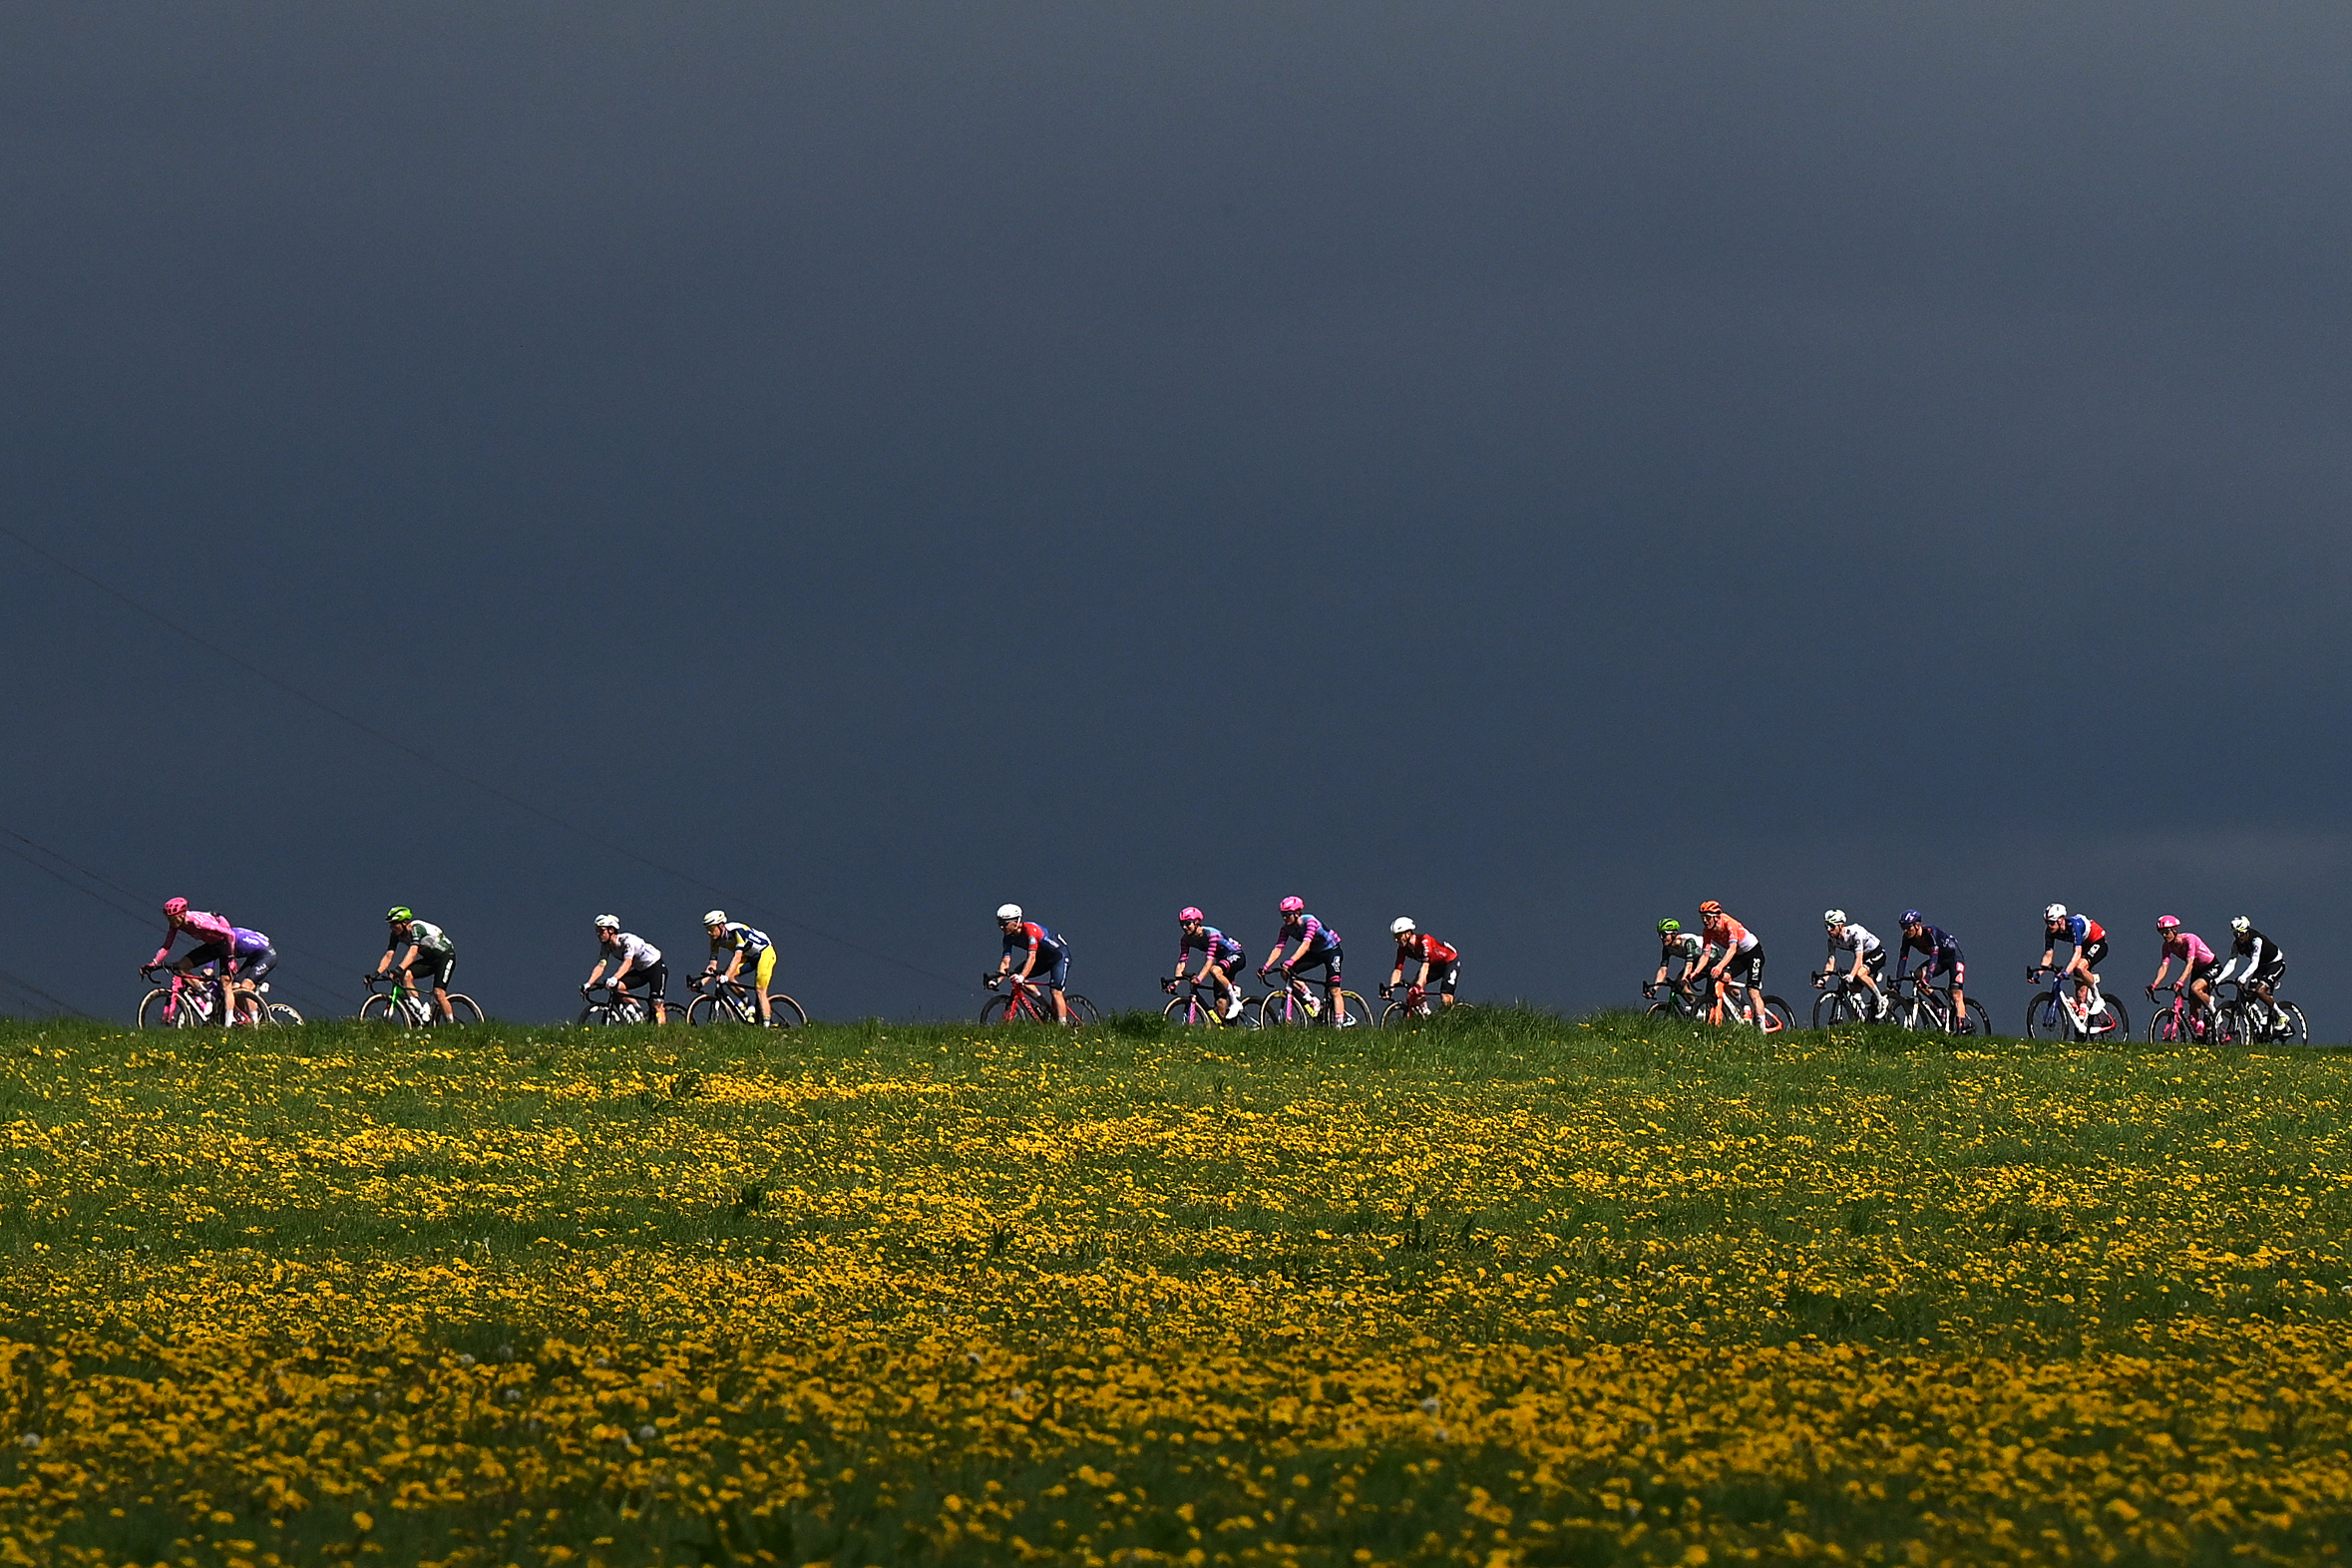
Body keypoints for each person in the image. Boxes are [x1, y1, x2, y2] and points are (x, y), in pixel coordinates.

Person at [149, 898, 238, 1021]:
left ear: (182, 915)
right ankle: (207, 995)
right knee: (181, 968)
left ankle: (229, 1022)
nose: (171, 922)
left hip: (224, 944)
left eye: (173, 918)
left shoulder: (198, 922)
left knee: (225, 982)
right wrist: (153, 963)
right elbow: (166, 946)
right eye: (169, 919)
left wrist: (231, 957)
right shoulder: (176, 925)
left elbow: (230, 934)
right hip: (211, 945)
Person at [1262, 897, 1348, 1025]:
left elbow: (1306, 944)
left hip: (1331, 951)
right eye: (1282, 915)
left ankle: (1340, 1024)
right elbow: (1278, 948)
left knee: (1334, 989)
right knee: (1286, 972)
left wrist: (1291, 960)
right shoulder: (1286, 929)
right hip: (1315, 953)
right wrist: (1266, 966)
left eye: (1287, 914)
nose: (1285, 918)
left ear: (1297, 913)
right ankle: (1311, 999)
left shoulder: (1310, 921)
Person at [992, 904, 1074, 1023]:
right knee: (1016, 978)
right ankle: (1046, 1007)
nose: (1001, 927)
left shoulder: (1031, 930)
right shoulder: (1008, 938)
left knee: (1055, 991)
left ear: (1016, 922)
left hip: (1059, 956)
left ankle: (1063, 1027)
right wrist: (997, 980)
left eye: (1005, 923)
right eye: (999, 923)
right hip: (1042, 957)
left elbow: (1031, 958)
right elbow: (1005, 961)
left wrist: (1022, 976)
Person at [377, 907, 459, 1023]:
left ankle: (452, 1026)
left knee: (438, 993)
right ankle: (419, 1013)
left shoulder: (416, 928)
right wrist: (376, 973)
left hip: (445, 956)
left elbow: (413, 951)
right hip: (430, 959)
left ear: (404, 923)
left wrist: (399, 968)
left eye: (394, 924)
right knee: (406, 975)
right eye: (390, 924)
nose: (391, 927)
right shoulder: (395, 934)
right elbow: (389, 955)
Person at [586, 914, 670, 1022]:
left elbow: (628, 962)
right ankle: (638, 1014)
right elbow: (601, 965)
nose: (598, 933)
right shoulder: (606, 947)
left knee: (656, 1004)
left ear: (611, 930)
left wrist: (615, 978)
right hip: (641, 971)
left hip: (655, 967)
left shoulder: (627, 940)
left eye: (601, 930)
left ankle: (661, 1035)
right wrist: (589, 984)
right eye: (597, 930)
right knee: (617, 988)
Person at [1169, 908, 1248, 1021]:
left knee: (1214, 970)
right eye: (1182, 924)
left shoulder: (1211, 934)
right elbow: (1182, 962)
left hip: (1235, 955)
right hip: (1222, 960)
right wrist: (1175, 983)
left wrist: (1200, 978)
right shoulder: (1185, 940)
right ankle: (1227, 1029)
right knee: (1220, 1002)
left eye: (1187, 923)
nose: (1184, 927)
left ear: (1197, 922)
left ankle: (1235, 1002)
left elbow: (1210, 960)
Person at [701, 910, 778, 1024]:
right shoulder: (715, 941)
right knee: (729, 976)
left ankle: (767, 1025)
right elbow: (712, 966)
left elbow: (737, 957)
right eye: (707, 930)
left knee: (760, 990)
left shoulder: (737, 931)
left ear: (721, 926)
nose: (709, 933)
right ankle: (749, 1006)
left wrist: (726, 976)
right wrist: (700, 983)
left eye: (712, 929)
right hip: (749, 956)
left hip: (764, 952)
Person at [1895, 911, 1969, 1029]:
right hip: (1940, 960)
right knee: (1917, 975)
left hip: (1954, 958)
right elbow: (1902, 960)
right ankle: (1941, 1007)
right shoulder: (1907, 938)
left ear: (1918, 925)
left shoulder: (1930, 932)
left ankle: (1961, 1028)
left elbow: (1934, 958)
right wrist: (1897, 985)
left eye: (1908, 927)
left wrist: (1927, 979)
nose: (1905, 931)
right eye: (1902, 927)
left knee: (1956, 994)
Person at [1696, 901, 1765, 1025]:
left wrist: (1719, 966)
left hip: (1753, 953)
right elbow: (1705, 954)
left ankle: (1762, 1032)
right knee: (1723, 978)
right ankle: (1745, 1007)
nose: (1705, 921)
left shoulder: (1729, 923)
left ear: (1716, 917)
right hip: (1739, 956)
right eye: (1702, 917)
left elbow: (1732, 949)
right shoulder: (1707, 931)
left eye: (1707, 917)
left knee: (1753, 992)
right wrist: (1695, 972)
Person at [2036, 904, 2108, 1019]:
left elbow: (2077, 953)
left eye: (2052, 922)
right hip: (2084, 945)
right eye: (2047, 923)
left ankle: (2098, 998)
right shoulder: (2050, 932)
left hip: (2097, 941)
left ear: (2060, 920)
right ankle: (2082, 1019)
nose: (2049, 926)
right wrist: (2039, 973)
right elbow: (2048, 956)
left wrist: (2066, 972)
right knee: (2079, 989)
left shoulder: (2074, 925)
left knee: (2079, 967)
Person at [2215, 916, 2287, 1021]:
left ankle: (2282, 1015)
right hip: (2261, 966)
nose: (2238, 937)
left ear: (2247, 932)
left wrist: (2244, 977)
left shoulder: (2256, 940)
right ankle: (2261, 1020)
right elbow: (2231, 963)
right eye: (2236, 934)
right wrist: (2218, 979)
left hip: (2275, 964)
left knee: (2260, 991)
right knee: (2249, 994)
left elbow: (2254, 962)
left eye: (2240, 934)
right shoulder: (2236, 945)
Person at [1818, 910, 1887, 1018]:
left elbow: (1858, 959)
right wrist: (1823, 979)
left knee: (1859, 974)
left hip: (1876, 953)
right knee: (1853, 988)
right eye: (1826, 925)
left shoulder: (1855, 933)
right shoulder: (1832, 941)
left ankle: (1881, 1000)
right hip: (1865, 957)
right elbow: (1830, 962)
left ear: (1841, 925)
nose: (1828, 929)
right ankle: (1862, 1019)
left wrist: (1851, 975)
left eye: (1832, 926)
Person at [2149, 915, 2217, 1019]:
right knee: (2193, 1006)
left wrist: (2181, 981)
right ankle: (2201, 1032)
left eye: (2166, 932)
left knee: (2195, 989)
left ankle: (2216, 1014)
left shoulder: (2189, 939)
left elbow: (2190, 963)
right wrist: (2155, 984)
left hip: (2211, 966)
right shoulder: (2166, 946)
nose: (2164, 935)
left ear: (2174, 930)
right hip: (2197, 970)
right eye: (2161, 933)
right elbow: (2164, 966)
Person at [1384, 917, 1460, 1010]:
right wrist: (1391, 988)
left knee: (1445, 996)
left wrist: (1419, 986)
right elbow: (1398, 970)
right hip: (1434, 965)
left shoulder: (1425, 940)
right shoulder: (1402, 949)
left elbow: (1425, 967)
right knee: (1413, 991)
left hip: (1449, 962)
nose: (1396, 940)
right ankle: (1426, 1015)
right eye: (1395, 937)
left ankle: (1452, 1020)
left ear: (1408, 934)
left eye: (1398, 936)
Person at [1648, 918, 1711, 1005]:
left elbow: (1689, 964)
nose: (1661, 938)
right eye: (1660, 935)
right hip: (1696, 962)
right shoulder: (1667, 948)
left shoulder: (1688, 941)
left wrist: (1684, 979)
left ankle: (1699, 1007)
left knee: (1683, 983)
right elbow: (1663, 970)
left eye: (1664, 934)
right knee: (1679, 985)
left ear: (1673, 934)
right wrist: (1654, 989)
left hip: (1710, 959)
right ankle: (1696, 1008)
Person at [225, 925, 278, 1026]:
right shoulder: (225, 938)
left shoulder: (231, 937)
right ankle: (246, 1018)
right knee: (234, 988)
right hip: (253, 958)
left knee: (246, 986)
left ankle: (255, 1024)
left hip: (267, 956)